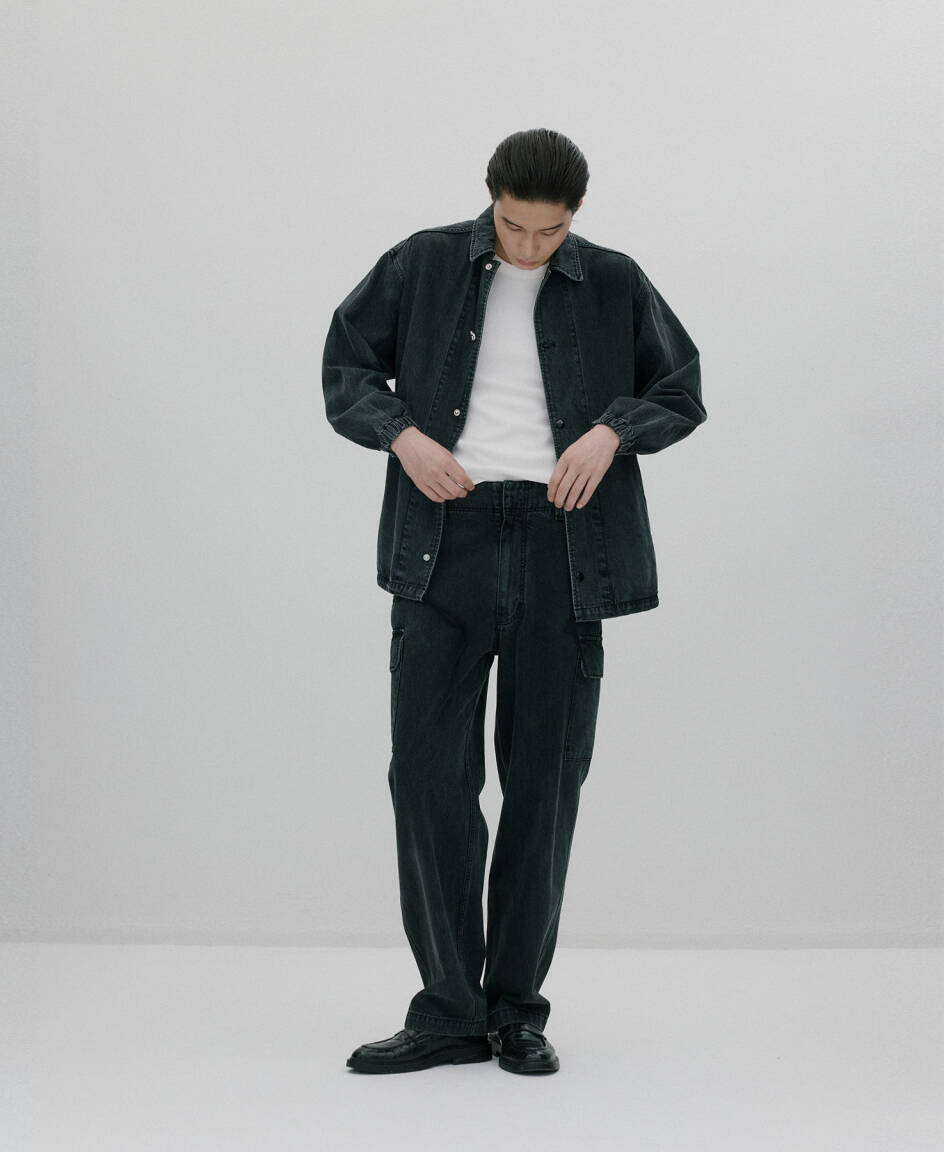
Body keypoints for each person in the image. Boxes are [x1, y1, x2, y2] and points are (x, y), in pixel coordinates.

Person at [322, 128, 706, 1075]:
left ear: (575, 217)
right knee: (427, 777)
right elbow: (346, 366)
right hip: (441, 542)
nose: (530, 246)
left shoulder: (613, 280)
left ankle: (518, 1012)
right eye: (513, 226)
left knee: (545, 782)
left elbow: (681, 387)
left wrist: (612, 432)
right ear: (489, 199)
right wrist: (403, 435)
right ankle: (450, 1010)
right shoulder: (422, 263)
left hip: (564, 545)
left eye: (550, 231)